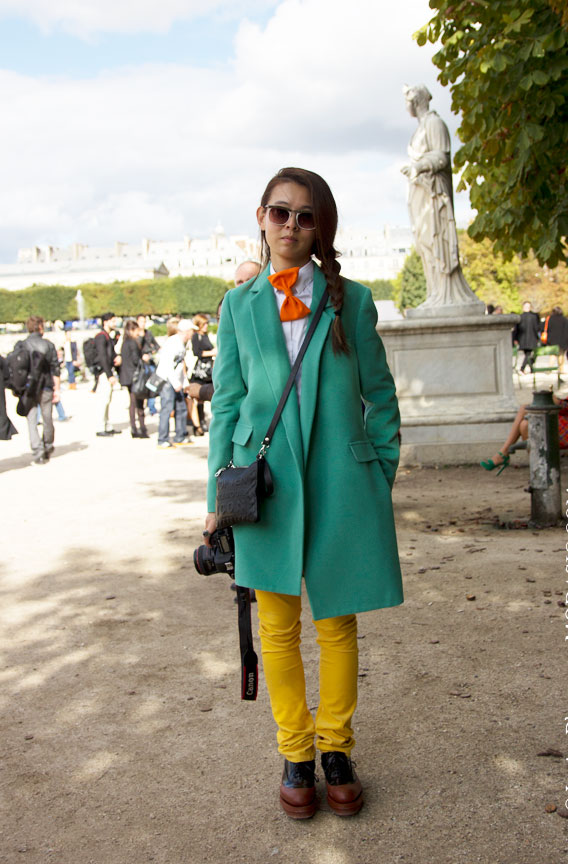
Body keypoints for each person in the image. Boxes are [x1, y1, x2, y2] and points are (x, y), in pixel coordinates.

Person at [204, 167, 403, 819]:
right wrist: (216, 493)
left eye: (306, 215)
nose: (292, 225)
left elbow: (382, 396)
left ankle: (336, 749)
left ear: (322, 228)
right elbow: (228, 403)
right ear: (260, 217)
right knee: (278, 627)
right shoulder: (238, 306)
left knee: (337, 621)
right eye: (281, 212)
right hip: (266, 487)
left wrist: (379, 470)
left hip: (343, 484)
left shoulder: (356, 300)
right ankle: (296, 753)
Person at [401, 84, 481, 313]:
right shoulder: (422, 127)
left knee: (438, 241)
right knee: (426, 242)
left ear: (415, 102)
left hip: (434, 192)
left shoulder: (434, 123)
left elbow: (442, 157)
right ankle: (436, 292)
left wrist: (419, 166)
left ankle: (447, 293)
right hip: (421, 191)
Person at [481, 341, 568, 473]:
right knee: (524, 420)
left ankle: (516, 458)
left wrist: (558, 403)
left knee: (525, 416)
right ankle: (534, 463)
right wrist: (558, 401)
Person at [22, 316, 61, 464]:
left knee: (31, 420)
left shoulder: (23, 345)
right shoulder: (48, 345)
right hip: (45, 386)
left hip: (29, 388)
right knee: (47, 418)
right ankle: (48, 445)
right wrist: (57, 388)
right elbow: (55, 368)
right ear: (40, 327)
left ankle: (37, 450)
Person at [156, 318, 194, 449]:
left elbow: (180, 365)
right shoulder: (172, 342)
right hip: (167, 381)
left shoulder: (182, 343)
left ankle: (180, 435)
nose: (192, 333)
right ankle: (162, 439)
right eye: (191, 331)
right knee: (166, 409)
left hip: (175, 381)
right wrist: (175, 383)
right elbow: (167, 364)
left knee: (181, 408)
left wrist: (184, 383)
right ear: (186, 331)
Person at [119, 319, 150, 438]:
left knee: (132, 403)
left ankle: (134, 427)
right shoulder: (132, 342)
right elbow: (135, 360)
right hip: (135, 377)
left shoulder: (125, 342)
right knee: (139, 402)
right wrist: (144, 358)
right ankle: (141, 428)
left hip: (127, 376)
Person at [188, 313, 216, 434]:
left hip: (208, 370)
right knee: (199, 397)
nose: (206, 326)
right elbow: (197, 353)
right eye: (204, 324)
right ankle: (199, 423)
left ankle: (202, 421)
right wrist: (211, 353)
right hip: (201, 371)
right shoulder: (196, 337)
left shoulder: (205, 336)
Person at [94, 313, 122, 437]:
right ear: (105, 322)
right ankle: (101, 426)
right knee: (103, 400)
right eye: (113, 321)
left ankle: (107, 425)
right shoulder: (101, 337)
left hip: (106, 371)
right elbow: (103, 357)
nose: (115, 323)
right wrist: (109, 374)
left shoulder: (106, 336)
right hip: (104, 372)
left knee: (107, 399)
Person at [137, 314, 159, 416]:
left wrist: (152, 351)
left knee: (152, 385)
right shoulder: (136, 334)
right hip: (140, 364)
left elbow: (157, 345)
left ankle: (152, 408)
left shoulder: (148, 333)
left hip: (150, 362)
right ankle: (140, 407)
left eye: (144, 321)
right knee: (141, 386)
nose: (143, 324)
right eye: (141, 321)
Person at [514, 301, 540, 374]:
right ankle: (524, 368)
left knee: (528, 354)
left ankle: (530, 368)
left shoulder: (520, 317)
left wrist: (516, 338)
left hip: (523, 339)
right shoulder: (533, 317)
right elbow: (536, 328)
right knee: (528, 354)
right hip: (530, 338)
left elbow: (516, 330)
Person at [546, 306, 568, 373]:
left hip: (552, 340)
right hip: (562, 340)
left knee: (552, 355)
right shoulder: (564, 319)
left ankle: (549, 369)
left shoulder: (549, 319)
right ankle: (561, 369)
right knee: (561, 355)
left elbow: (543, 328)